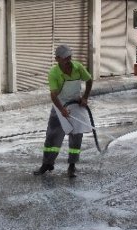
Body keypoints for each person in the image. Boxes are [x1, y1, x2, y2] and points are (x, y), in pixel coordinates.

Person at [33, 44, 93, 178]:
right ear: (57, 59)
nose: (68, 60)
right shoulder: (53, 73)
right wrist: (62, 110)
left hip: (76, 104)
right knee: (53, 135)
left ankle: (72, 166)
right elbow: (54, 95)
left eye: (70, 57)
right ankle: (47, 164)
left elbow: (89, 80)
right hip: (60, 104)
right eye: (65, 57)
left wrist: (85, 97)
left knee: (76, 135)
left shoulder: (78, 67)